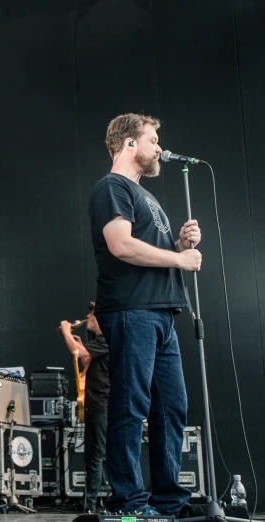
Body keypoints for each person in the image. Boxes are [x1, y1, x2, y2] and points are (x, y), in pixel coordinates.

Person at [88, 113, 201, 515]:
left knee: (171, 408)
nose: (159, 148)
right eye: (152, 139)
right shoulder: (112, 187)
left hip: (161, 313)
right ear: (130, 144)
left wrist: (176, 242)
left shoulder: (144, 196)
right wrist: (180, 258)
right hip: (132, 311)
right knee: (130, 405)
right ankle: (129, 503)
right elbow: (120, 246)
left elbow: (147, 251)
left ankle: (170, 501)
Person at [61, 302, 109, 512]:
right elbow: (85, 362)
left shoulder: (107, 339)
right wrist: (78, 343)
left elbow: (77, 352)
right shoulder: (98, 342)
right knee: (91, 456)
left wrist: (66, 331)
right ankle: (87, 503)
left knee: (98, 456)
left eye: (92, 313)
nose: (88, 316)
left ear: (101, 319)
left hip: (103, 405)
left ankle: (93, 505)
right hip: (92, 405)